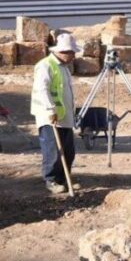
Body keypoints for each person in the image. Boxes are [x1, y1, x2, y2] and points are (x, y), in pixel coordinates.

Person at [31, 33, 78, 194]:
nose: (74, 56)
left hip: (64, 116)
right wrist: (50, 109)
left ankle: (64, 178)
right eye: (71, 53)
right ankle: (51, 180)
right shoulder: (45, 66)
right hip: (49, 116)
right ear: (62, 52)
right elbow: (42, 89)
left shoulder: (64, 68)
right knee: (53, 150)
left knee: (68, 151)